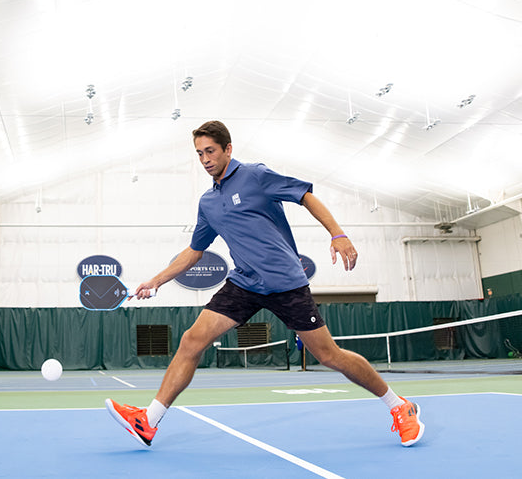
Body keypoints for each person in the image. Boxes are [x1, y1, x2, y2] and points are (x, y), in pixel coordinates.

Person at [105, 120, 424, 448]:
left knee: (329, 355)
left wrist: (338, 234)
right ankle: (149, 420)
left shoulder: (255, 176)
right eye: (199, 153)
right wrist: (155, 281)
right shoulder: (208, 203)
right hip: (244, 284)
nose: (205, 159)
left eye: (210, 151)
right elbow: (194, 251)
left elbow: (305, 195)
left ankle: (400, 406)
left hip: (286, 283)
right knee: (191, 340)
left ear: (228, 149)